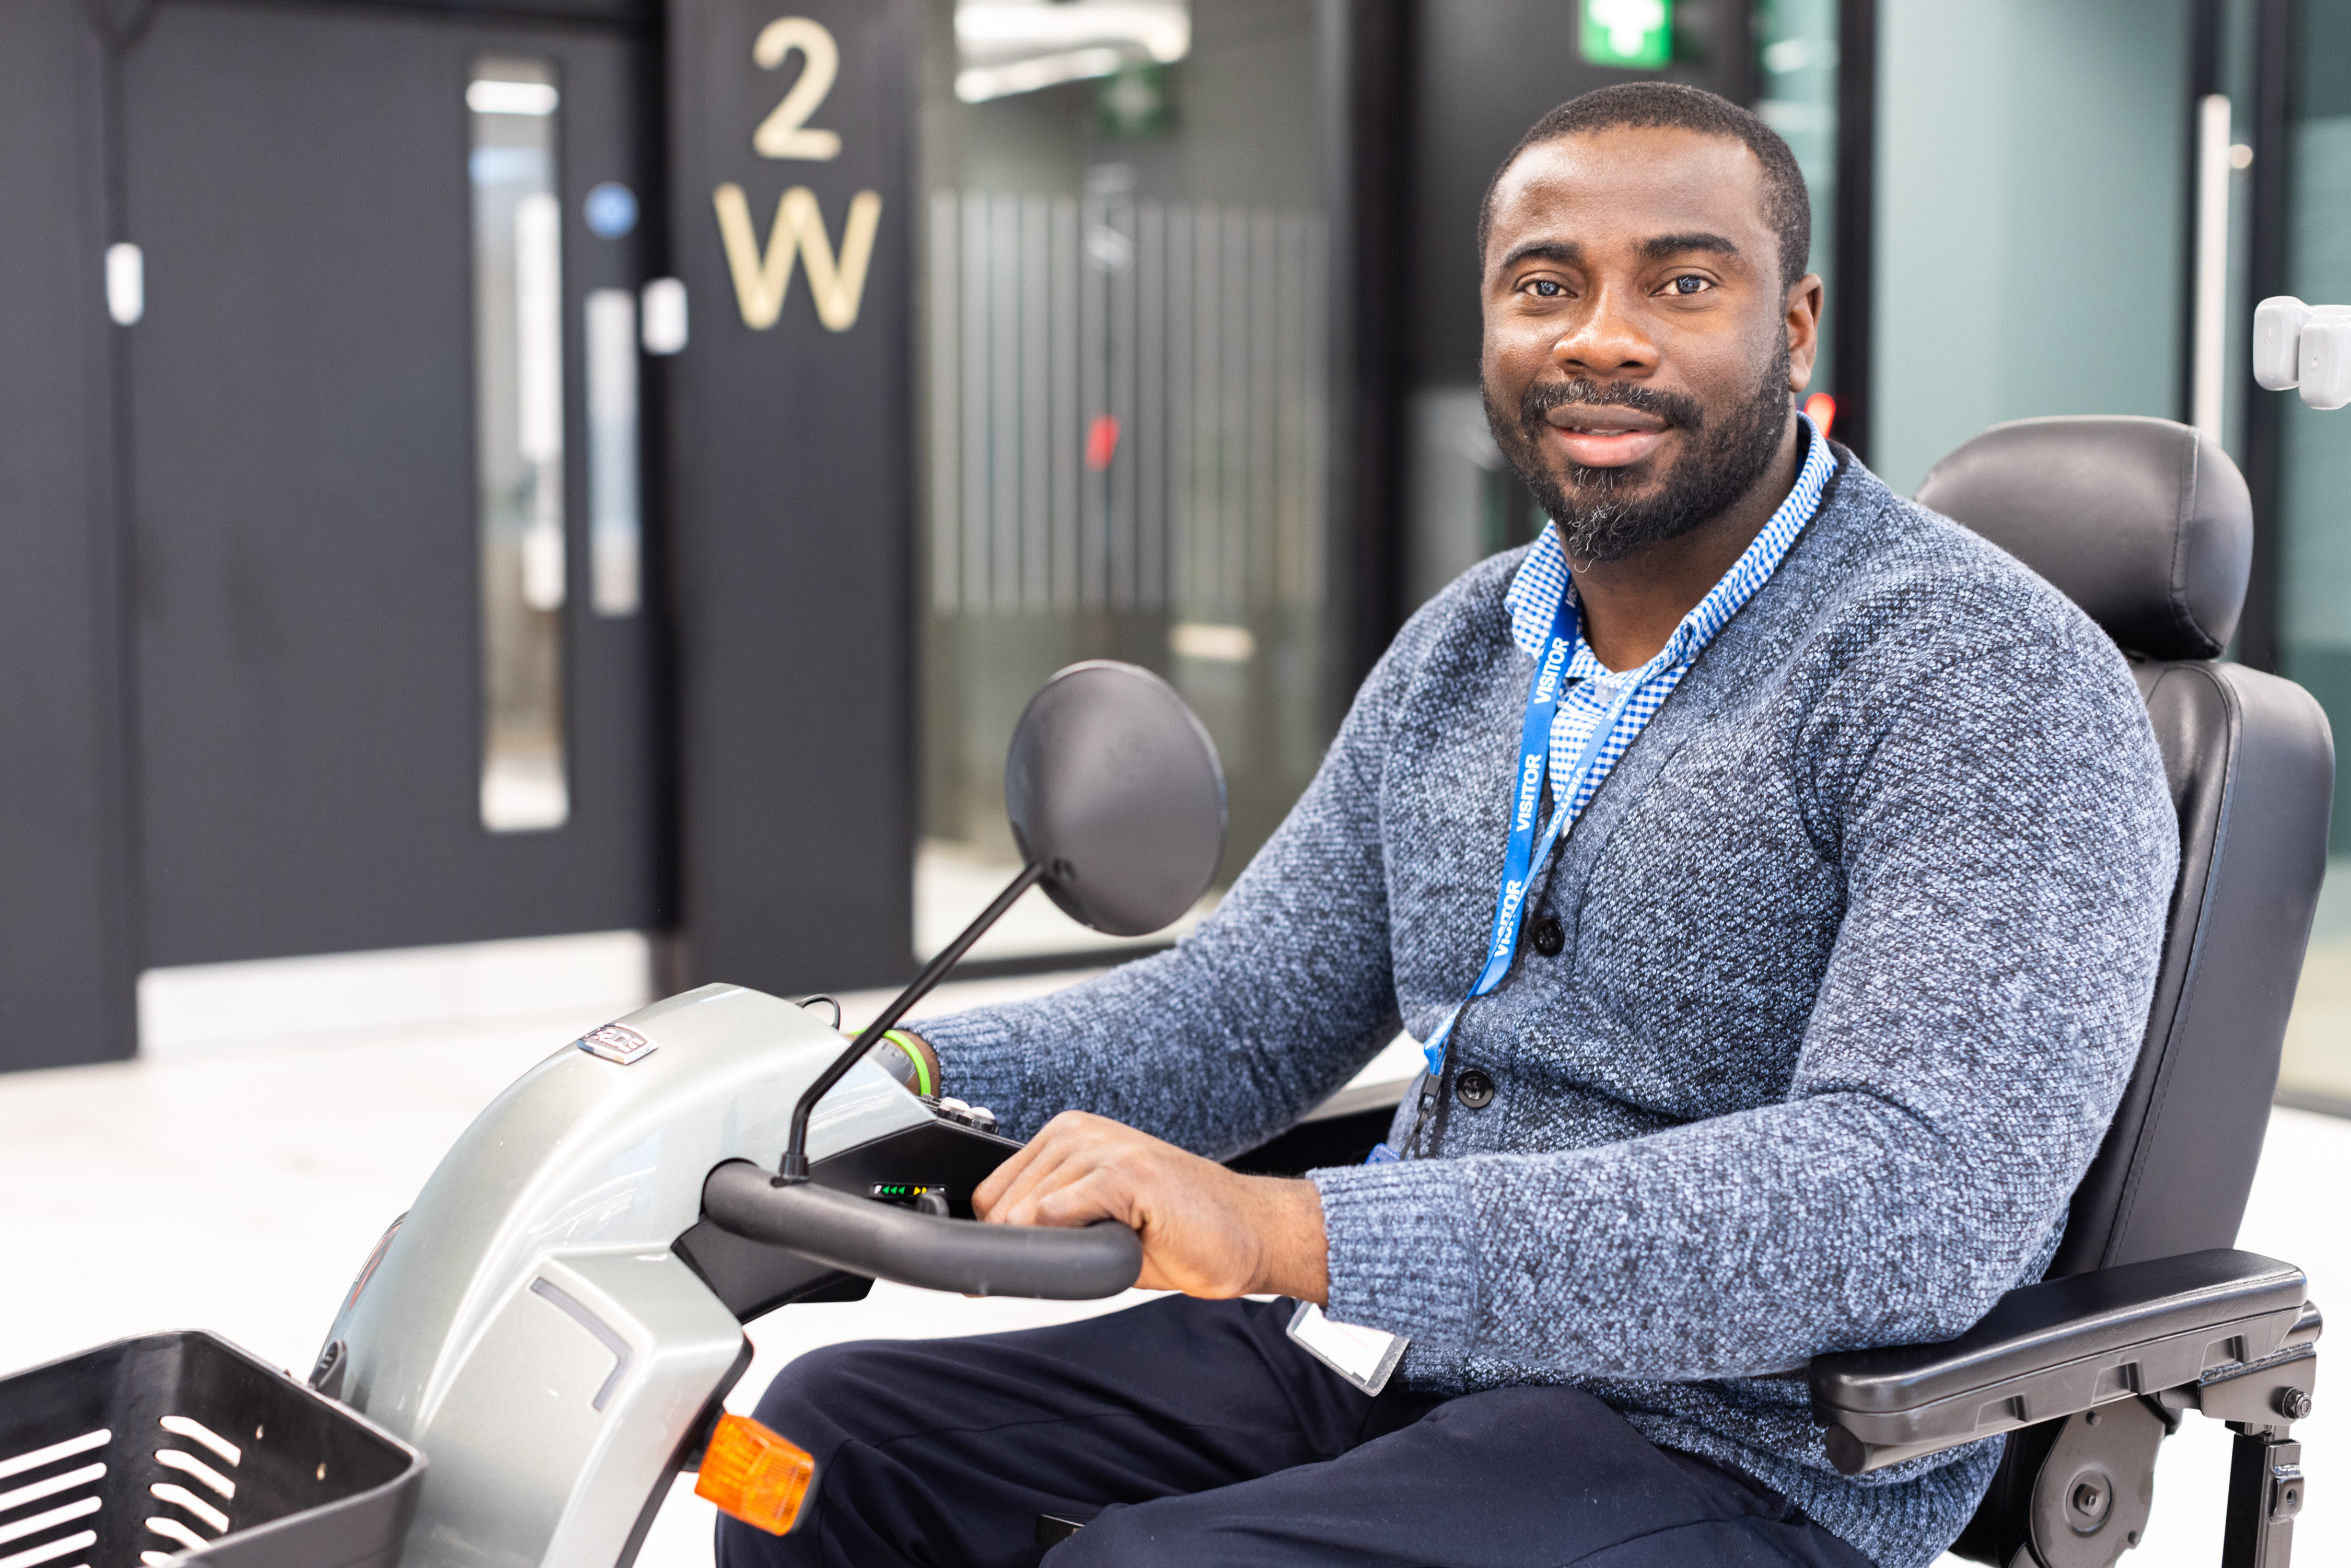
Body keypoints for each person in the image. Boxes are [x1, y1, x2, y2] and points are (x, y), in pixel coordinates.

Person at [719, 83, 2176, 1568]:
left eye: (1680, 281)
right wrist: (857, 1069)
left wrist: (1296, 1231)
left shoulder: (1975, 671)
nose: (1599, 337)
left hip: (1731, 1438)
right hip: (1379, 1349)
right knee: (819, 1442)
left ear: (1790, 325)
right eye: (1545, 285)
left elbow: (1903, 1199)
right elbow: (1239, 1018)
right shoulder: (1467, 646)